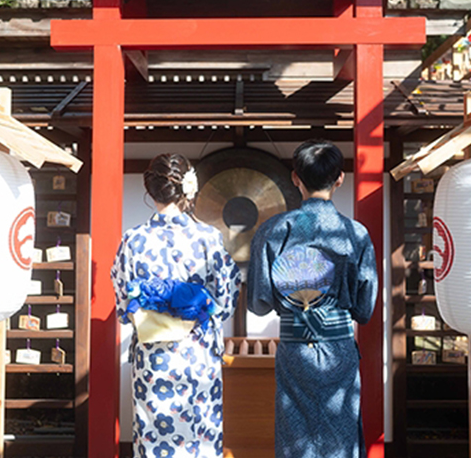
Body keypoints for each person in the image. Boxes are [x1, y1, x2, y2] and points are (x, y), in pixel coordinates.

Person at [247, 139, 378, 458]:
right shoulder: (355, 234)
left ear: (295, 178)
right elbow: (365, 309)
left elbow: (258, 304)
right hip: (339, 349)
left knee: (295, 437)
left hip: (295, 350)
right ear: (339, 179)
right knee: (340, 431)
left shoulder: (274, 230)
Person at [112, 153, 241, 458]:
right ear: (188, 190)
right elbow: (225, 302)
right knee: (201, 439)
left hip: (153, 360)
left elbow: (122, 309)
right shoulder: (209, 239)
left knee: (154, 440)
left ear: (149, 189)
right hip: (197, 357)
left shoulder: (133, 240)